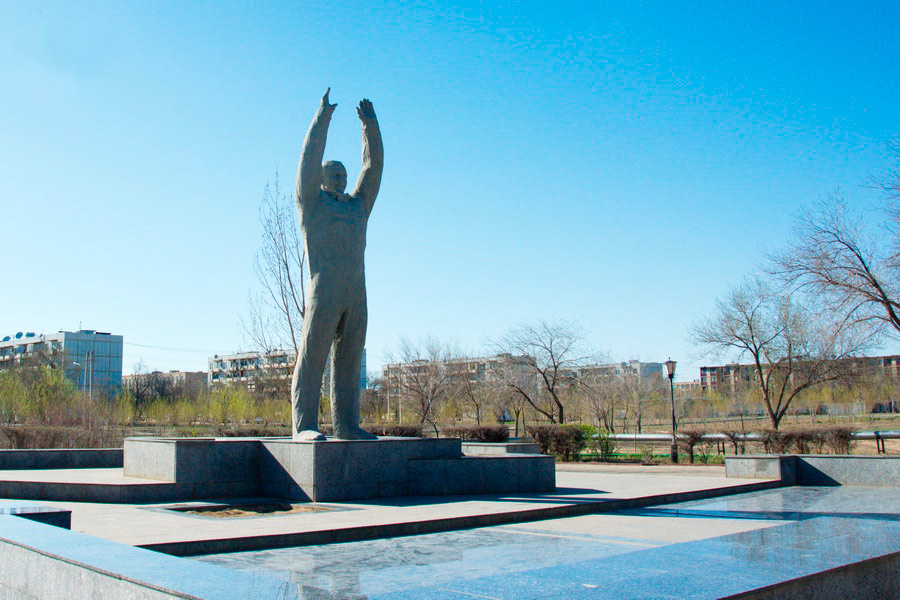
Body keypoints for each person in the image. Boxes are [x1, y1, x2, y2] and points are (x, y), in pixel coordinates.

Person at [291, 88, 383, 440]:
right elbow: (307, 161)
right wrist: (323, 118)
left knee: (349, 363)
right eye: (336, 173)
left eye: (345, 174)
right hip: (323, 291)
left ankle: (347, 425)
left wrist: (370, 128)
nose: (343, 178)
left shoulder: (357, 207)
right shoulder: (313, 204)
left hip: (356, 294)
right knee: (313, 357)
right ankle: (305, 426)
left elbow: (373, 169)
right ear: (323, 178)